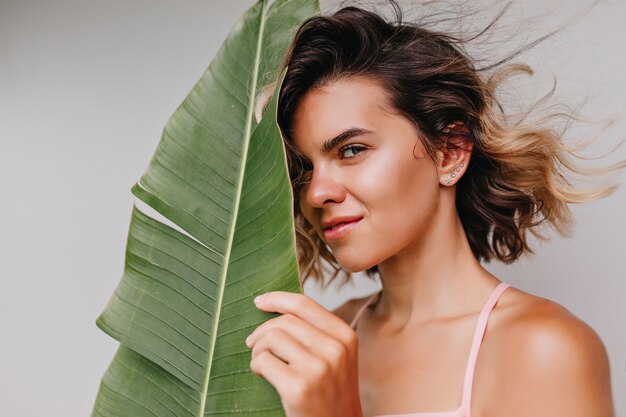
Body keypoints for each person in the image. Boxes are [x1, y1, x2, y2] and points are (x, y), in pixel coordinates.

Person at [245, 3, 616, 417]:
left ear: (450, 152)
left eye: (351, 150)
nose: (315, 193)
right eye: (304, 167)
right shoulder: (324, 339)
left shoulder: (544, 349)